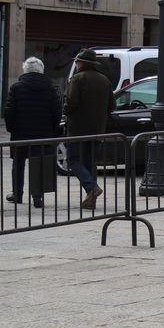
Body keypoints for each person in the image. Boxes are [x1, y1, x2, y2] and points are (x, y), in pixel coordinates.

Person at [4, 58, 62, 209]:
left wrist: (11, 128)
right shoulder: (50, 87)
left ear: (25, 70)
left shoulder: (16, 87)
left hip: (20, 132)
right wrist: (53, 129)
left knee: (18, 163)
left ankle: (17, 193)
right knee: (39, 164)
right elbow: (57, 111)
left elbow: (9, 111)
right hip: (43, 132)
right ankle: (37, 196)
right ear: (41, 70)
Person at [63, 48, 110, 211]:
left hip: (78, 129)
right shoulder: (105, 80)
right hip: (97, 129)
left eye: (77, 62)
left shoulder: (78, 79)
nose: (76, 64)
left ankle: (92, 187)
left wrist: (65, 111)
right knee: (90, 163)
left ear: (82, 63)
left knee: (73, 160)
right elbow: (112, 106)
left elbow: (70, 103)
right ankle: (91, 199)